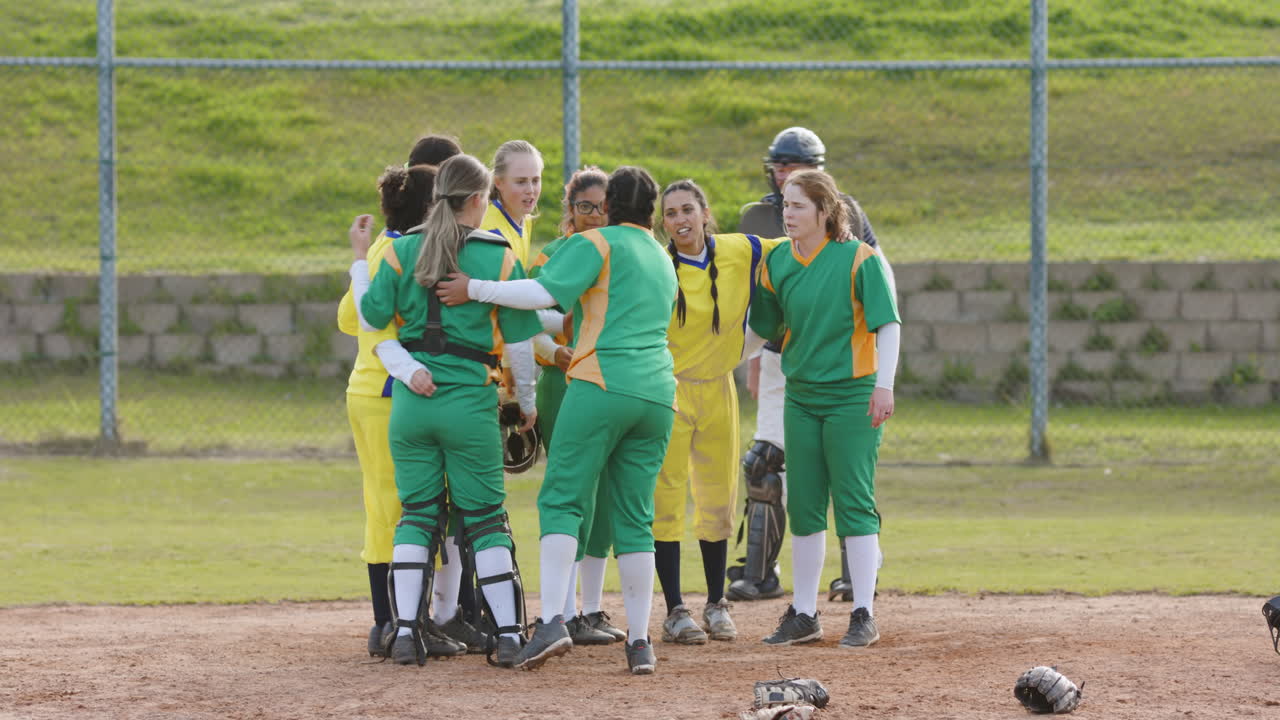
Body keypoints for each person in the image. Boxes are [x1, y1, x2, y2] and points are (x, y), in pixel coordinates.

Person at [436, 166, 678, 675]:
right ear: (653, 212)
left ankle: (552, 624)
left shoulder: (601, 242)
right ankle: (639, 643)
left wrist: (475, 287)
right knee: (634, 516)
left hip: (601, 383)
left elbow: (539, 294)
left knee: (563, 498)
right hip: (658, 393)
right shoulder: (661, 254)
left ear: (609, 205)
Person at [353, 153, 544, 668]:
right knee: (483, 519)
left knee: (416, 516)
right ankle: (507, 635)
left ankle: (407, 634)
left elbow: (372, 317)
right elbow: (522, 345)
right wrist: (526, 404)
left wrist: (355, 262)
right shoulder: (497, 254)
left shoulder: (400, 251)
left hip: (412, 406)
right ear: (480, 199)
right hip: (468, 403)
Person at [743, 169, 900, 649]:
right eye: (785, 205)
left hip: (852, 395)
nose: (787, 215)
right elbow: (760, 331)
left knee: (853, 502)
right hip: (803, 396)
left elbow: (888, 325)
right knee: (805, 504)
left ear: (825, 212)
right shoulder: (777, 264)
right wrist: (717, 362)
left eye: (798, 207)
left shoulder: (860, 260)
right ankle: (805, 615)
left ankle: (863, 613)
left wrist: (884, 386)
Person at [731, 126, 883, 604]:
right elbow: (755, 298)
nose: (783, 177)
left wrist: (883, 368)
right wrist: (749, 359)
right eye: (778, 166)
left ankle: (855, 577)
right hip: (782, 358)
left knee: (843, 473)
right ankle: (762, 574)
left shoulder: (849, 215)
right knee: (764, 464)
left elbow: (877, 280)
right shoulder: (756, 216)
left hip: (841, 363)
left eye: (795, 168)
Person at [337, 136, 464, 660]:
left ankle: (395, 621)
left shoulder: (386, 249)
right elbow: (363, 317)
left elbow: (348, 318)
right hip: (392, 390)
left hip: (370, 388)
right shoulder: (402, 250)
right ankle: (395, 623)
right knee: (405, 507)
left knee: (387, 505)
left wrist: (361, 261)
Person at [652, 179, 785, 646]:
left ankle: (715, 603)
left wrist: (840, 234)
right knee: (665, 499)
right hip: (668, 393)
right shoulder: (657, 264)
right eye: (670, 214)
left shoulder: (741, 250)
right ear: (662, 222)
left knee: (717, 498)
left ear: (706, 213)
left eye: (688, 209)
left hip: (717, 390)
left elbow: (793, 248)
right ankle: (673, 609)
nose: (680, 220)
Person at [528, 167, 624, 646]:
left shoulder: (620, 251)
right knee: (574, 492)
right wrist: (555, 352)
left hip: (609, 383)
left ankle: (591, 609)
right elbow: (527, 322)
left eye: (603, 205)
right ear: (570, 210)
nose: (593, 214)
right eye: (584, 206)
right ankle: (562, 612)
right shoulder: (556, 254)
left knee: (605, 496)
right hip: (563, 382)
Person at [482, 139, 544, 267]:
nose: (530, 190)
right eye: (521, 182)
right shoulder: (490, 233)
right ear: (498, 182)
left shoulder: (525, 218)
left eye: (535, 180)